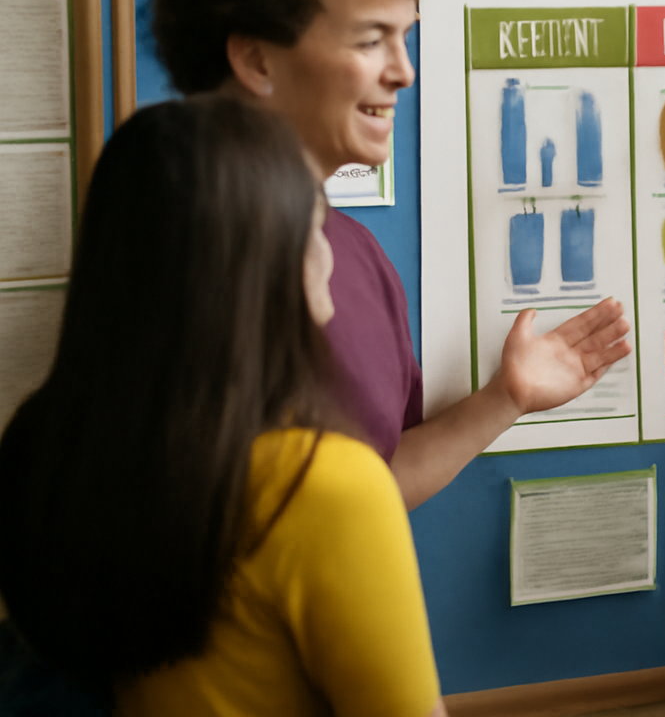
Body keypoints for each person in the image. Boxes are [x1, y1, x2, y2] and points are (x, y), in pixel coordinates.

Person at [152, 0, 630, 508]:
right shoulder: (164, 261)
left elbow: (375, 486)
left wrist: (505, 396)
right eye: (371, 39)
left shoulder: (358, 255)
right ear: (257, 60)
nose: (404, 71)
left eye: (405, 37)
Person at [0, 96, 445, 716]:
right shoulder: (322, 485)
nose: (331, 249)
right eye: (315, 224)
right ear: (262, 266)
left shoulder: (38, 445)